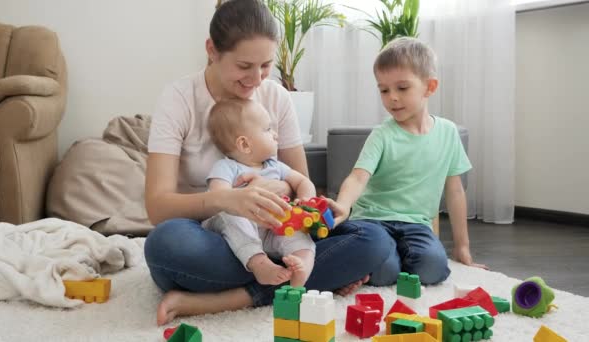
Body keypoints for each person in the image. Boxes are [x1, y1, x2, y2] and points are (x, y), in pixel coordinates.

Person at [143, 0, 388, 326]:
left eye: (265, 65)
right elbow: (158, 207)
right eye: (244, 66)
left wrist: (286, 192)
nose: (256, 79)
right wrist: (226, 199)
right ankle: (301, 280)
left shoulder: (276, 97)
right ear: (212, 51)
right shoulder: (179, 99)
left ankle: (236, 296)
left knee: (374, 239)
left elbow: (300, 179)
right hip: (213, 238)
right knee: (166, 244)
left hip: (278, 232)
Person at [327, 37, 487, 289]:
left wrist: (462, 247)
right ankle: (383, 257)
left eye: (402, 88)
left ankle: (392, 256)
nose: (392, 98)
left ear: (429, 87)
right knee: (384, 274)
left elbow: (455, 192)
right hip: (372, 221)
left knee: (434, 268)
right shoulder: (382, 134)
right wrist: (344, 206)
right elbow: (358, 176)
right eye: (384, 90)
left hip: (416, 224)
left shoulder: (448, 132)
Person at [204, 98, 316, 287]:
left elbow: (303, 181)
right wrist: (244, 197)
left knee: (299, 231)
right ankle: (260, 264)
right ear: (245, 145)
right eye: (267, 129)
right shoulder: (226, 167)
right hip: (238, 230)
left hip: (272, 228)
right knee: (229, 215)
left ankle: (301, 267)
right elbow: (218, 198)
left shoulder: (276, 166)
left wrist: (305, 201)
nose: (275, 134)